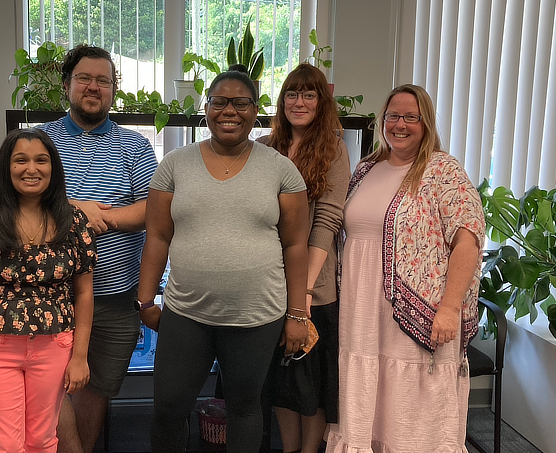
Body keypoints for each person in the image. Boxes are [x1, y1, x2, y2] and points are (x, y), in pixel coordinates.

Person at [136, 68, 311, 453]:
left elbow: (296, 245)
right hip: (186, 313)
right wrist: (146, 299)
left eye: (240, 103)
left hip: (257, 316)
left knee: (246, 408)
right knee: (167, 408)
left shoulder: (281, 169)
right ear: (206, 108)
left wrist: (298, 313)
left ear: (255, 110)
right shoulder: (175, 164)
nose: (228, 111)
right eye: (219, 102)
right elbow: (159, 235)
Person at [325, 84, 484, 452]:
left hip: (417, 313)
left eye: (411, 117)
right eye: (393, 116)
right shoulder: (367, 168)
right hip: (362, 310)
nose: (400, 124)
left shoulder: (443, 170)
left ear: (425, 123)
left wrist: (450, 307)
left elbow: (468, 239)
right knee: (369, 401)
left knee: (413, 407)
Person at [36, 44, 159, 453]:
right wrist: (75, 210)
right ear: (67, 85)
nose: (93, 87)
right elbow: (20, 202)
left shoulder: (136, 147)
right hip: (47, 296)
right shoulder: (40, 140)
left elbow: (153, 209)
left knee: (94, 390)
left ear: (113, 90)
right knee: (45, 389)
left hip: (114, 297)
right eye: (84, 78)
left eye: (103, 80)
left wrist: (98, 219)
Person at [0, 128, 96, 452]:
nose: (31, 169)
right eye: (21, 160)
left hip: (55, 346)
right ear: (7, 167)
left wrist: (80, 357)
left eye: (40, 160)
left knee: (43, 440)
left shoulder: (73, 221)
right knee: (4, 444)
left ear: (53, 167)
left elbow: (85, 294)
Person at [257, 63, 350, 453]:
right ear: (282, 101)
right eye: (292, 94)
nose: (299, 102)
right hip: (267, 285)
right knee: (281, 381)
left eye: (309, 94)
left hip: (316, 286)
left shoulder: (334, 149)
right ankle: (289, 448)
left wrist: (305, 289)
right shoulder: (263, 148)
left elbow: (327, 220)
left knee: (311, 384)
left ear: (321, 102)